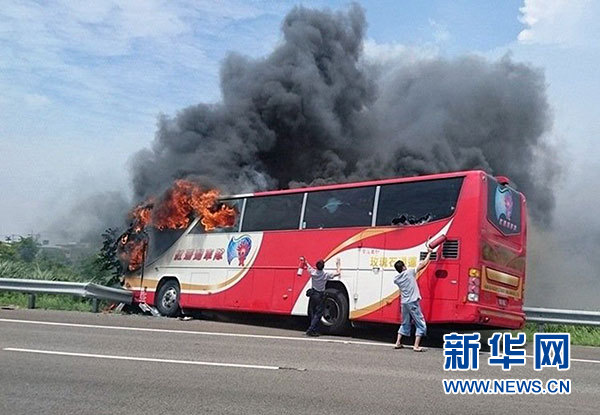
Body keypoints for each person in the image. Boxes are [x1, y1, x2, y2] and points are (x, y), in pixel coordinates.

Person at [393, 244, 433, 351]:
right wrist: (429, 252)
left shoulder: (397, 279)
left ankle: (398, 342)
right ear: (403, 267)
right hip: (413, 302)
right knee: (420, 322)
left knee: (405, 322)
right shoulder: (409, 272)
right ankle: (416, 346)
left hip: (404, 303)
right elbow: (423, 264)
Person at [303, 257, 341, 336]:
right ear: (323, 267)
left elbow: (308, 266)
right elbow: (338, 273)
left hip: (313, 294)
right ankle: (311, 329)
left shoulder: (313, 273)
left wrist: (305, 261)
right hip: (319, 295)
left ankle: (313, 329)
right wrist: (338, 264)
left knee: (313, 312)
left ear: (316, 266)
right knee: (318, 314)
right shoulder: (325, 275)